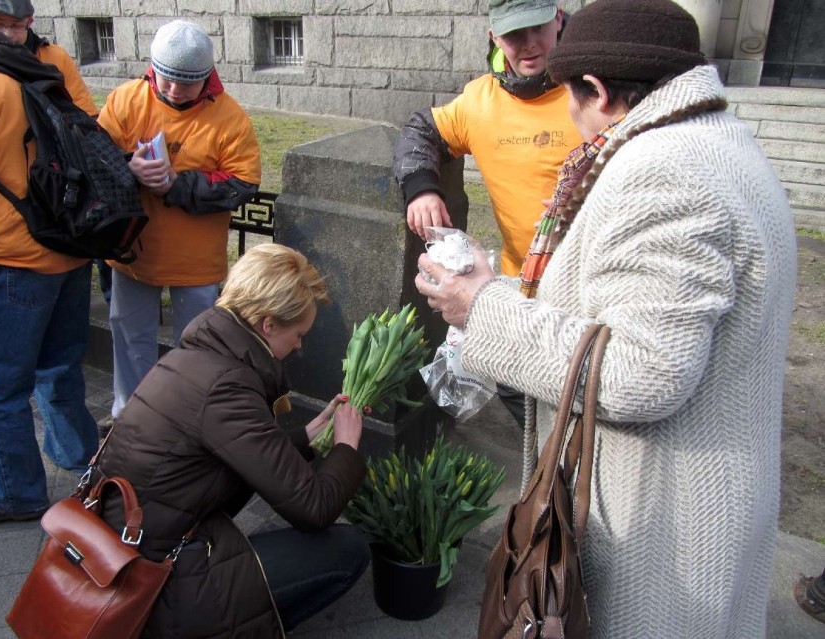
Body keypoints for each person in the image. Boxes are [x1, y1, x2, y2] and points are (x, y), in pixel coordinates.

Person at [415, 0, 797, 636]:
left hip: (664, 532)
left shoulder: (665, 171)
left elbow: (641, 373)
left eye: (568, 93)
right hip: (697, 506)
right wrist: (506, 289)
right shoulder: (714, 139)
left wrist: (482, 309)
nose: (567, 111)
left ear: (594, 89)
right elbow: (623, 305)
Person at [96, 243, 370, 637]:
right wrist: (346, 446)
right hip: (151, 572)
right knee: (348, 550)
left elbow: (240, 449)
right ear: (267, 325)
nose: (299, 346)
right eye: (298, 334)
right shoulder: (228, 386)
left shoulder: (199, 356)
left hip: (128, 541)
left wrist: (309, 436)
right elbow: (314, 509)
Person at [393, 0, 582, 428]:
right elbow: (421, 131)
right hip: (520, 287)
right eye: (514, 34)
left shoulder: (589, 89)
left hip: (585, 293)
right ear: (494, 35)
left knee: (580, 409)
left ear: (558, 18)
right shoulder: (480, 100)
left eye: (538, 27)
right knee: (524, 399)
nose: (529, 45)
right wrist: (421, 188)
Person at [97, 20, 261, 425]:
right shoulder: (126, 100)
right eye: (165, 79)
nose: (173, 91)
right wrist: (126, 167)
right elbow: (94, 158)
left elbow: (242, 183)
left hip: (195, 262)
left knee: (195, 347)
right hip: (133, 252)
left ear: (207, 78)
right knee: (129, 338)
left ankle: (184, 422)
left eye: (185, 83)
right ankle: (128, 419)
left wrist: (176, 184)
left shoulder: (230, 118)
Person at [0, 28, 99, 523]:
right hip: (68, 251)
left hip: (10, 259)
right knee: (59, 367)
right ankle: (84, 464)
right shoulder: (49, 69)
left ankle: (19, 492)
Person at [0, 0, 112, 302]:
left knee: (56, 348)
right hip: (11, 247)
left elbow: (88, 127)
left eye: (16, 25)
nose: (8, 34)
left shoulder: (53, 57)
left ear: (31, 21)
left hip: (59, 231)